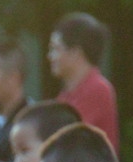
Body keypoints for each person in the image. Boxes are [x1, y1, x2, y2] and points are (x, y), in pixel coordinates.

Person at [48, 12, 119, 153]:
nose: (50, 56)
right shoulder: (67, 94)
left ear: (75, 53)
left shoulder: (98, 89)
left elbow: (64, 141)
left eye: (55, 49)